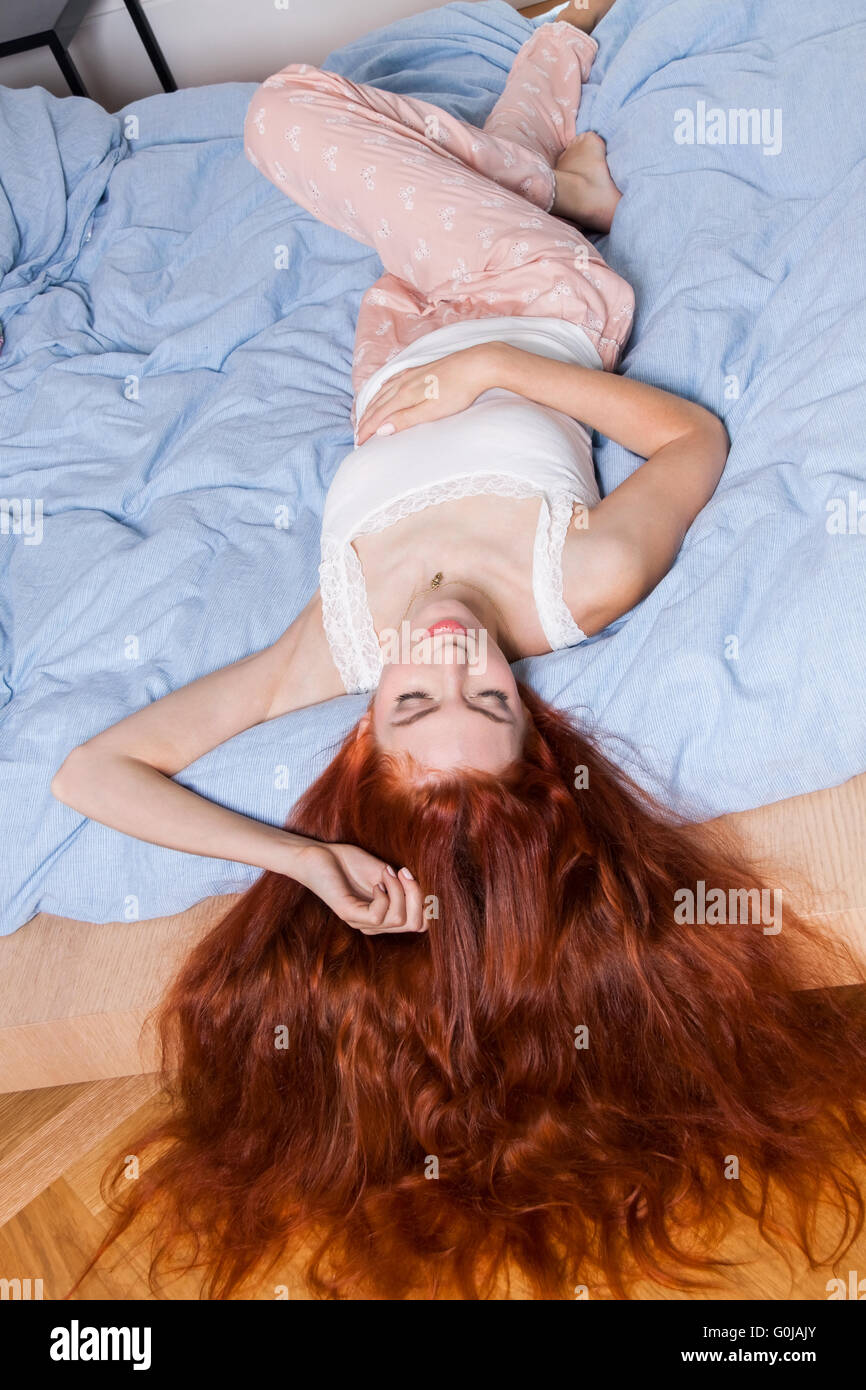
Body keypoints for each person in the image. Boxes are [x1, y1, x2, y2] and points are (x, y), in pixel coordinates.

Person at [59, 3, 866, 1302]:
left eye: (409, 697)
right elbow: (690, 447)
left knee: (421, 169)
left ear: (363, 739)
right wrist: (505, 359)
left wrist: (304, 860)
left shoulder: (339, 637)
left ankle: (554, 57)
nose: (439, 647)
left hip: (388, 355)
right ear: (538, 736)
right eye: (481, 690)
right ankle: (554, 190)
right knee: (285, 118)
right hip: (532, 300)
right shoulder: (574, 582)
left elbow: (93, 773)